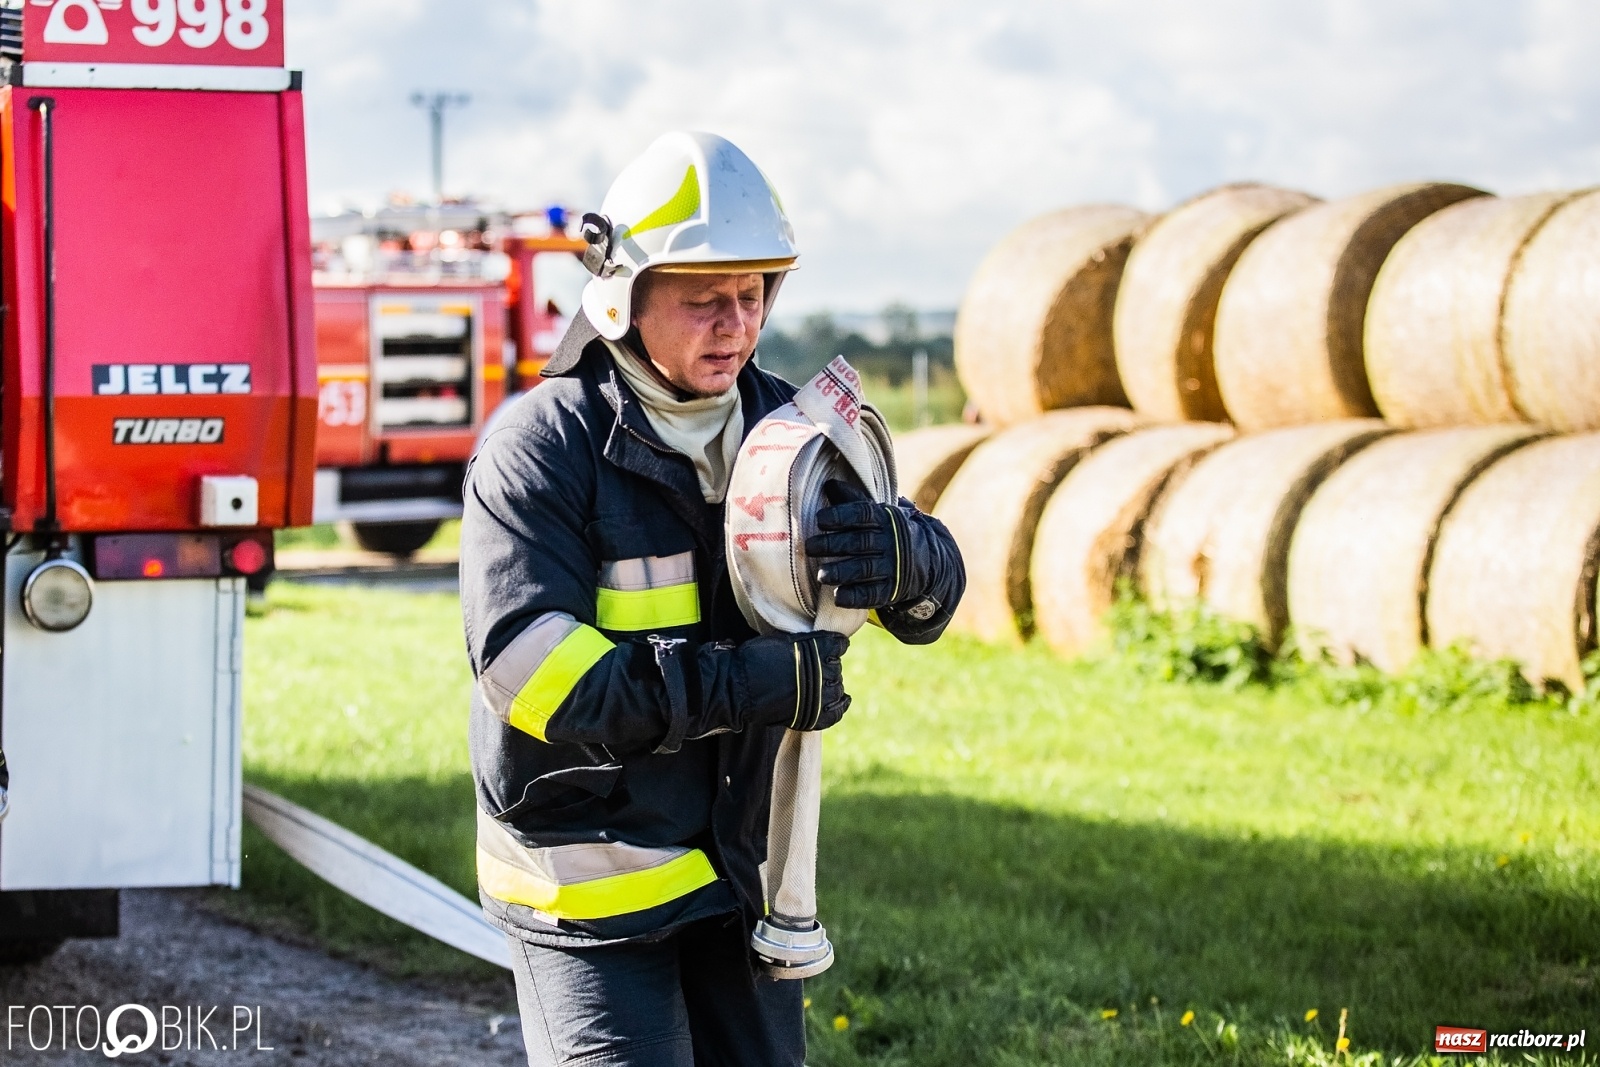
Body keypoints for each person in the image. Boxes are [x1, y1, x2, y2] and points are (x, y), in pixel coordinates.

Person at [460, 131, 965, 1067]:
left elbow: (927, 608)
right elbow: (531, 675)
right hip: (588, 888)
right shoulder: (540, 450)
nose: (735, 325)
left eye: (752, 295)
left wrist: (915, 560)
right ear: (623, 297)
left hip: (737, 880)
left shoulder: (791, 429)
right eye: (703, 300)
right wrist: (751, 682)